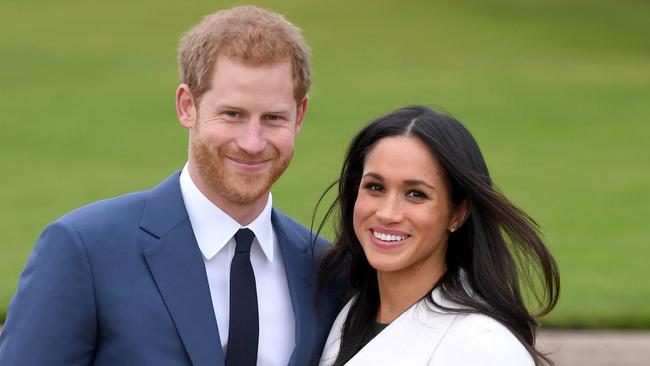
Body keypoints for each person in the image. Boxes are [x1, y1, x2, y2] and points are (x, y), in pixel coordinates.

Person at [0, 6, 342, 366]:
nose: (252, 142)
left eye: (272, 118)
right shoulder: (86, 251)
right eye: (233, 114)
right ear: (187, 106)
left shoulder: (326, 271)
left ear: (299, 115)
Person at [317, 105, 560, 366]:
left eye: (416, 194)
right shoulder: (346, 314)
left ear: (457, 214)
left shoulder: (485, 347)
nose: (388, 213)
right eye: (375, 187)